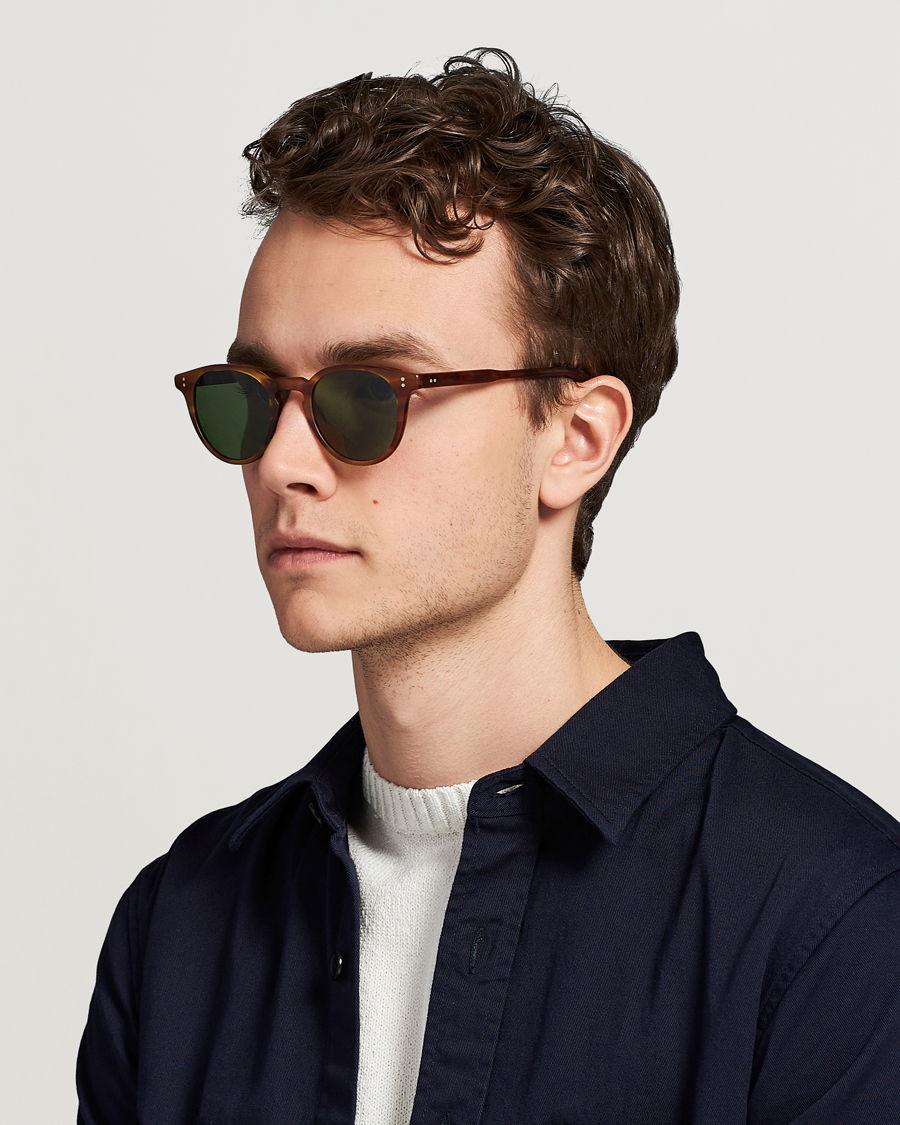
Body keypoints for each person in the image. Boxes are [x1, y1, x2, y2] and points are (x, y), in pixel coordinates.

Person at [77, 49, 900, 1124]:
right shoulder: (181, 927)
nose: (282, 462)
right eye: (251, 397)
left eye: (367, 394)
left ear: (577, 437)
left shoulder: (833, 925)